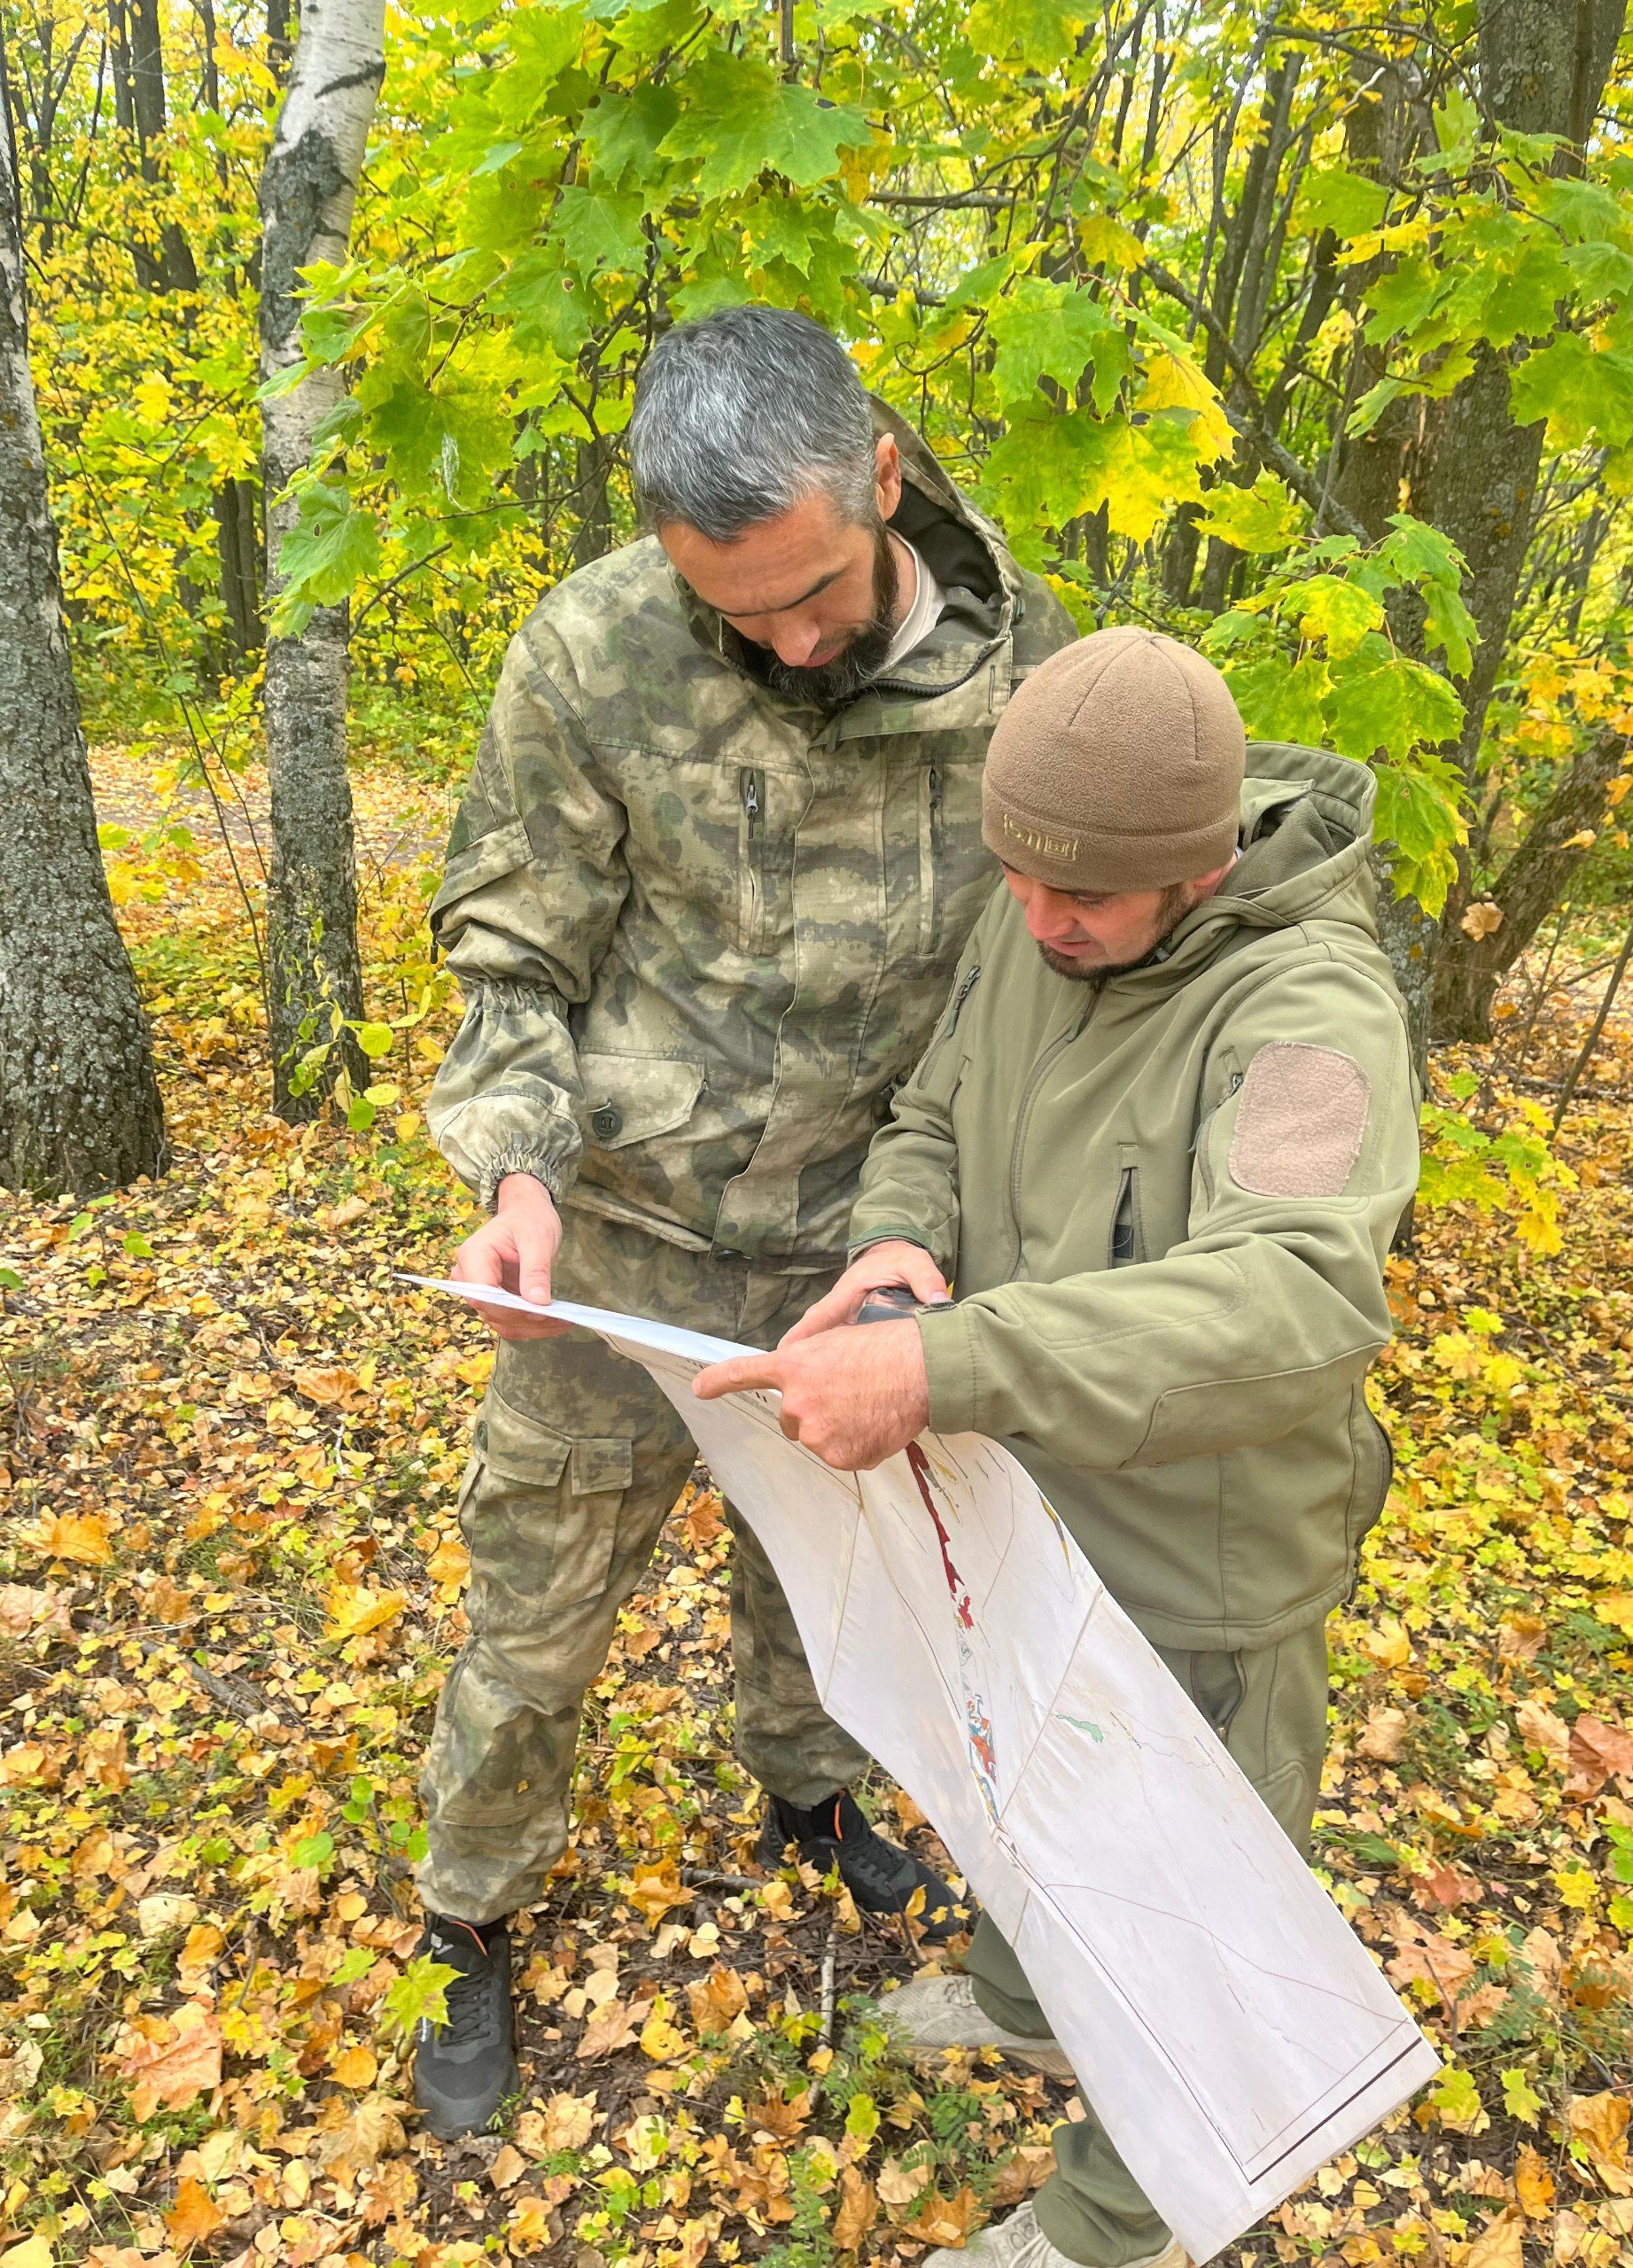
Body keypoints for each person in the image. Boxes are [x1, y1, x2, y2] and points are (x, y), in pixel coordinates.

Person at [412, 305, 1075, 2138]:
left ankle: (807, 1787)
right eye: (737, 610)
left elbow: (1065, 968)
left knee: (827, 1591)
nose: (784, 637)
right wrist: (518, 1172)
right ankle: (467, 1905)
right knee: (531, 1622)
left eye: (811, 592)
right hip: (618, 1249)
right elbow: (514, 942)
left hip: (864, 1247)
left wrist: (951, 1237)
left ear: (880, 475)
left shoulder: (1033, 670)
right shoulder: (596, 648)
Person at [694, 628, 1422, 2268]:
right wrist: (896, 1247)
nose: (1036, 920)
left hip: (1201, 1562)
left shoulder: (1306, 1015)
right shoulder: (1042, 918)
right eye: (1014, 877)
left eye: (1079, 898)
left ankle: (1117, 2223)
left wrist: (947, 1364)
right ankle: (1027, 2000)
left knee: (1184, 1923)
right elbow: (938, 1111)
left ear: (1199, 864)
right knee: (1023, 1790)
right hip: (1030, 1504)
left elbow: (1296, 1293)